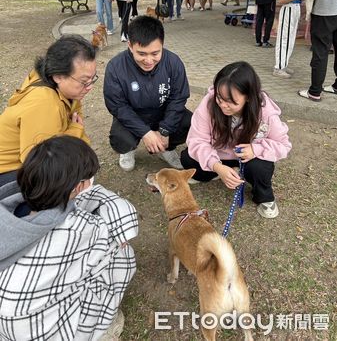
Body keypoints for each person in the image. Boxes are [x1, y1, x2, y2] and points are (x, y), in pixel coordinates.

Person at [0, 135, 138, 341]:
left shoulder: (10, 202)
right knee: (122, 255)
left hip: (7, 323)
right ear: (78, 186)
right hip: (38, 328)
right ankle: (102, 324)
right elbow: (123, 221)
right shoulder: (78, 228)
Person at [181, 61, 291, 219]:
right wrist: (217, 167)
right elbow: (197, 140)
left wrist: (256, 150)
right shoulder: (208, 104)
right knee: (187, 158)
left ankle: (264, 197)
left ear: (248, 97)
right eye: (220, 98)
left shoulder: (265, 111)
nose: (223, 106)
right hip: (219, 156)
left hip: (247, 158)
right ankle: (221, 173)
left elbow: (283, 144)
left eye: (231, 102)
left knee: (261, 167)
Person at [0, 35, 97, 187]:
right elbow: (42, 167)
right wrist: (75, 130)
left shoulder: (64, 88)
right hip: (10, 173)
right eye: (84, 81)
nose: (89, 86)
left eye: (92, 79)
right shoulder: (44, 104)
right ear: (58, 76)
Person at [103, 15, 192, 172]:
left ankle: (166, 149)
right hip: (134, 115)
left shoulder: (173, 62)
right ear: (130, 46)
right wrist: (145, 132)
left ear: (162, 45)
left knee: (190, 122)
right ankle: (128, 151)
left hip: (162, 113)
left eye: (155, 53)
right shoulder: (115, 67)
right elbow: (117, 106)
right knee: (120, 139)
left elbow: (178, 98)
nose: (149, 60)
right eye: (142, 54)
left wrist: (165, 129)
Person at [273, 0, 305, 78]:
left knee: (291, 39)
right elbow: (279, 0)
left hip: (296, 10)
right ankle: (278, 67)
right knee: (284, 38)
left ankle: (284, 64)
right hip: (288, 10)